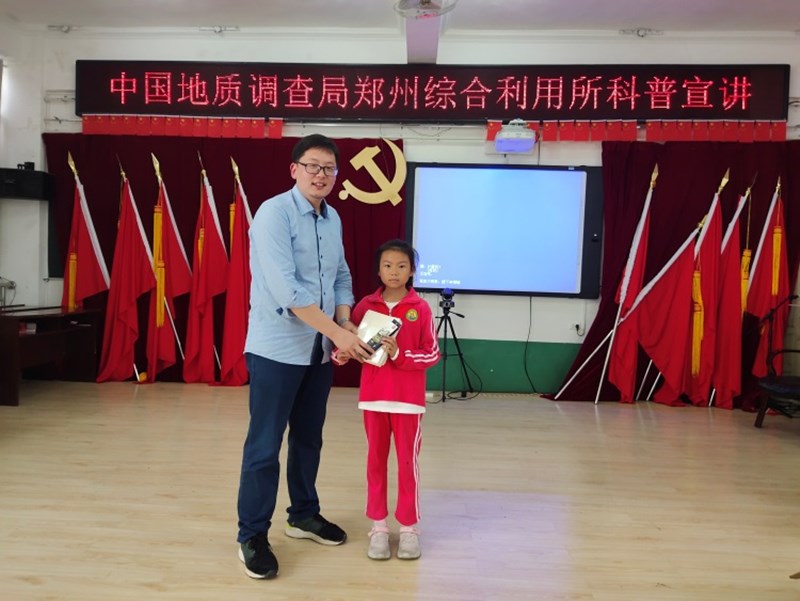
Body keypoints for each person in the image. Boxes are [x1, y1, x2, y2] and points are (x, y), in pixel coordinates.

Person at [237, 133, 373, 580]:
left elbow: (341, 276)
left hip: (319, 352)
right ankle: (252, 535)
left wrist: (344, 322)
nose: (321, 175)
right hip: (276, 349)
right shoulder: (273, 213)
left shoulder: (332, 219)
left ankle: (303, 515)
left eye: (329, 168)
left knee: (309, 439)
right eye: (313, 166)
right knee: (264, 446)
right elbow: (288, 290)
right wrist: (339, 335)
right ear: (294, 169)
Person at [335, 239, 440, 560]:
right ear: (379, 271)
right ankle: (378, 527)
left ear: (412, 271)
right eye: (388, 266)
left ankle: (408, 529)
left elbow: (432, 354)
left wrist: (400, 354)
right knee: (375, 463)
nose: (394, 272)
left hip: (408, 402)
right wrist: (343, 354)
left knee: (408, 464)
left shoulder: (421, 308)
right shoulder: (365, 307)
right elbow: (351, 345)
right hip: (373, 399)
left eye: (402, 266)